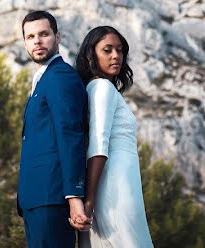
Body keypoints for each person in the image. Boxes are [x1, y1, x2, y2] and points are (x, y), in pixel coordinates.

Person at [17, 10, 91, 247]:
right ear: (25, 43)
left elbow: (70, 136)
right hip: (36, 197)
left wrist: (74, 196)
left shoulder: (61, 77)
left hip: (52, 195)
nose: (37, 41)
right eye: (30, 37)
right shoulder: (44, 78)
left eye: (44, 34)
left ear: (57, 37)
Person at [75, 25, 154, 248]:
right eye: (107, 50)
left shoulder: (100, 88)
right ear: (91, 56)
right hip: (114, 185)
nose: (116, 56)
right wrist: (89, 200)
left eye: (119, 50)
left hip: (121, 182)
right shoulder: (101, 87)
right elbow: (98, 146)